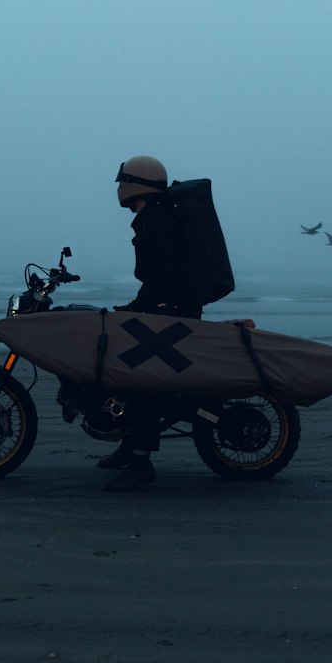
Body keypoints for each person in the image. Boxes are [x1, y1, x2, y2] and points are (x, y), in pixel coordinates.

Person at [98, 156, 203, 492]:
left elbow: (163, 275)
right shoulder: (154, 217)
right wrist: (138, 305)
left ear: (135, 184)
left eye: (122, 181)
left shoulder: (157, 219)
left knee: (141, 376)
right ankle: (130, 444)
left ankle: (141, 460)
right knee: (125, 366)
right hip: (170, 307)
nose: (119, 188)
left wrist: (139, 305)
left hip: (172, 312)